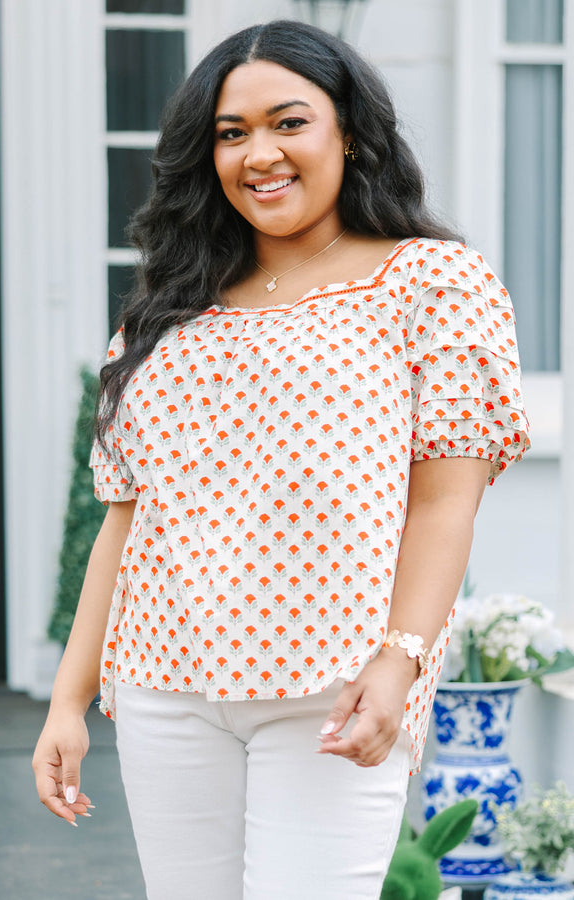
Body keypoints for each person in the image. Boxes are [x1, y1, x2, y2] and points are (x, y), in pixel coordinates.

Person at [33, 19, 530, 900]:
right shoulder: (165, 315)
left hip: (333, 689)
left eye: (288, 122)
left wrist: (401, 660)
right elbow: (127, 515)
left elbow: (445, 501)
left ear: (350, 130)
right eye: (232, 133)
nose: (259, 153)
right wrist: (69, 701)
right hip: (162, 686)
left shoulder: (432, 284)